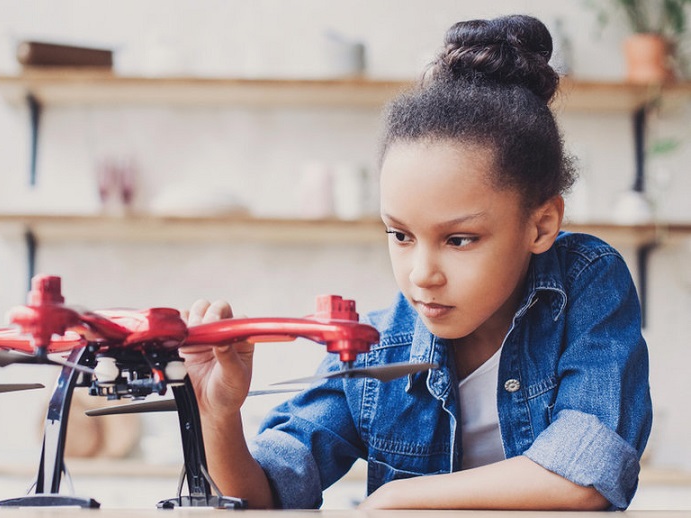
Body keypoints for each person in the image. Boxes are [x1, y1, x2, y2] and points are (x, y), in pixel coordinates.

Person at [179, 14, 652, 511]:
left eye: (460, 239)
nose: (421, 274)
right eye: (400, 235)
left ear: (540, 225)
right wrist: (217, 414)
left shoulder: (586, 281)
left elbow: (585, 478)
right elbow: (262, 499)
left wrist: (400, 497)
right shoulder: (375, 350)